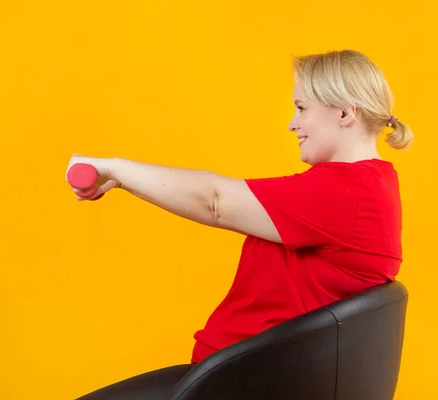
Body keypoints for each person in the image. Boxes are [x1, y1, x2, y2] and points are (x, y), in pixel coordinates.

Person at [72, 49, 413, 399]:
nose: (292, 124)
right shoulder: (372, 185)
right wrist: (124, 180)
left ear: (343, 112)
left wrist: (113, 168)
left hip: (236, 384)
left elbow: (215, 201)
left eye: (301, 108)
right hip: (239, 377)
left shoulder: (344, 191)